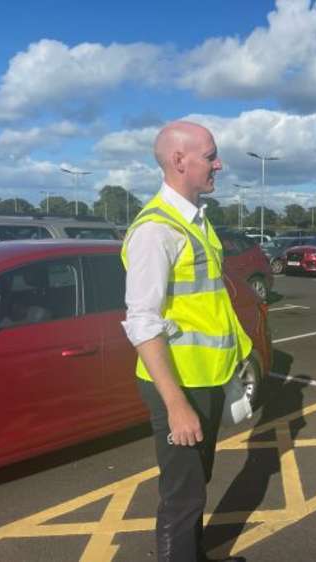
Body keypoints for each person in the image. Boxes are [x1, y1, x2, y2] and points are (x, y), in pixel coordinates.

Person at [121, 121, 251, 562]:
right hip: (180, 385)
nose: (220, 163)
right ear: (179, 161)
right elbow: (142, 322)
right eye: (211, 155)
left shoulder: (194, 220)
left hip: (206, 379)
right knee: (182, 499)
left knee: (196, 487)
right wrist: (176, 403)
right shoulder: (156, 230)